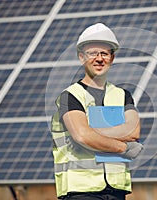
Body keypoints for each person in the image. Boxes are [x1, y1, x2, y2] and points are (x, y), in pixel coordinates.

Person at [51, 23, 143, 200]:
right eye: (93, 53)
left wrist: (91, 131)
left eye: (104, 53)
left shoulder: (122, 95)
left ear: (112, 58)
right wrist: (123, 147)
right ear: (81, 57)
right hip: (81, 191)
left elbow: (133, 132)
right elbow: (82, 136)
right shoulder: (70, 96)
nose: (99, 59)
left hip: (116, 191)